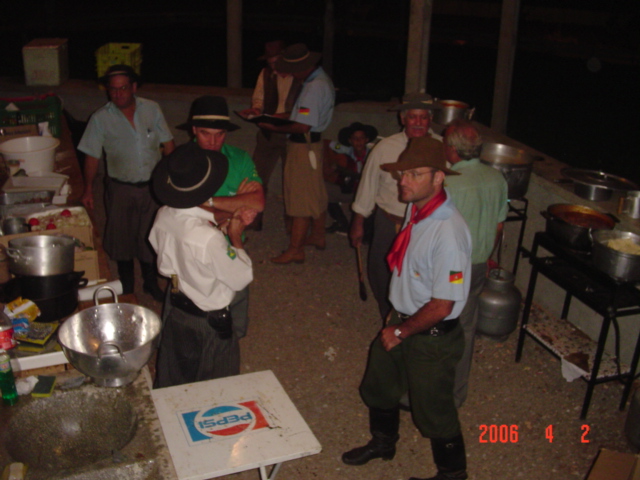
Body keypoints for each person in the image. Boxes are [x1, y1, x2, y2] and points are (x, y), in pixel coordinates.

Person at [342, 136, 472, 480]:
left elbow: (443, 304)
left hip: (430, 336)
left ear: (438, 177)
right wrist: (395, 314)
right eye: (403, 173)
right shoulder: (417, 207)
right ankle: (383, 444)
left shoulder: (448, 232)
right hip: (402, 318)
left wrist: (400, 331)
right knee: (379, 385)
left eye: (415, 174)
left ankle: (452, 474)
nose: (403, 181)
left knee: (433, 409)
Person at [149, 142, 255, 387]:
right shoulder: (208, 239)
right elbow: (241, 277)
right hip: (209, 322)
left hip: (178, 312)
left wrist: (223, 223)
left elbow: (181, 241)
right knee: (215, 387)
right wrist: (235, 236)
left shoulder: (164, 214)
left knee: (175, 377)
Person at [78, 64, 175, 302]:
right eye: (113, 89)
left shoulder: (152, 109)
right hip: (120, 187)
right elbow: (92, 156)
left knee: (150, 235)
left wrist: (171, 180)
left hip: (152, 187)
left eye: (123, 88)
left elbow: (168, 144)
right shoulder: (100, 118)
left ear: (133, 87)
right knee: (122, 237)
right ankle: (127, 284)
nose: (118, 93)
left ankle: (150, 283)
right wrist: (88, 188)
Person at [177, 95, 265, 339]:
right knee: (196, 317)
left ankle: (232, 342)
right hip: (194, 250)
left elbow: (258, 202)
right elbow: (179, 208)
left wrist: (206, 202)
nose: (213, 142)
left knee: (237, 300)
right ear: (194, 130)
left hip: (231, 245)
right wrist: (236, 203)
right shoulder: (180, 161)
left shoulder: (239, 158)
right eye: (206, 134)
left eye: (220, 134)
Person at [349, 93, 437, 320]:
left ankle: (414, 320)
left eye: (423, 117)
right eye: (413, 117)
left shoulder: (440, 148)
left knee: (419, 276)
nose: (418, 122)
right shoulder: (385, 148)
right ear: (402, 118)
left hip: (426, 225)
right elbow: (368, 185)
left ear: (430, 120)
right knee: (380, 271)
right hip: (389, 221)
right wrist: (358, 221)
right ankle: (388, 315)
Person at [442, 119, 508, 408]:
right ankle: (456, 394)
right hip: (479, 264)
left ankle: (431, 390)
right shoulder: (497, 178)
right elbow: (498, 226)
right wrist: (487, 253)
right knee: (465, 329)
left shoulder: (449, 182)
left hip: (453, 269)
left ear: (453, 149)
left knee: (437, 322)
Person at [258, 43, 335, 264]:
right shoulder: (320, 80)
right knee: (316, 193)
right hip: (313, 144)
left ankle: (295, 249)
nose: (289, 74)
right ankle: (318, 235)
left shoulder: (313, 88)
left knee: (300, 199)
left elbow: (302, 126)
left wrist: (273, 127)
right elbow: (302, 114)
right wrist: (279, 117)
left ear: (303, 67)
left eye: (292, 70)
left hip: (303, 145)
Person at [237, 41, 303, 231]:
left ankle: (292, 224)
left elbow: (305, 110)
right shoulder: (265, 74)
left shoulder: (299, 76)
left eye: (276, 62)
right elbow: (258, 98)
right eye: (270, 62)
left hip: (292, 134)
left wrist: (284, 117)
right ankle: (253, 219)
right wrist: (255, 110)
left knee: (292, 181)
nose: (273, 66)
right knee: (256, 176)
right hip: (268, 132)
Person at [324, 122, 378, 235]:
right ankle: (341, 223)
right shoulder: (347, 150)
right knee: (324, 189)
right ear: (350, 141)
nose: (358, 141)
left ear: (367, 140)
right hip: (351, 190)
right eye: (355, 138)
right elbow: (331, 144)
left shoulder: (373, 155)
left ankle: (367, 230)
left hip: (368, 194)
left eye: (361, 138)